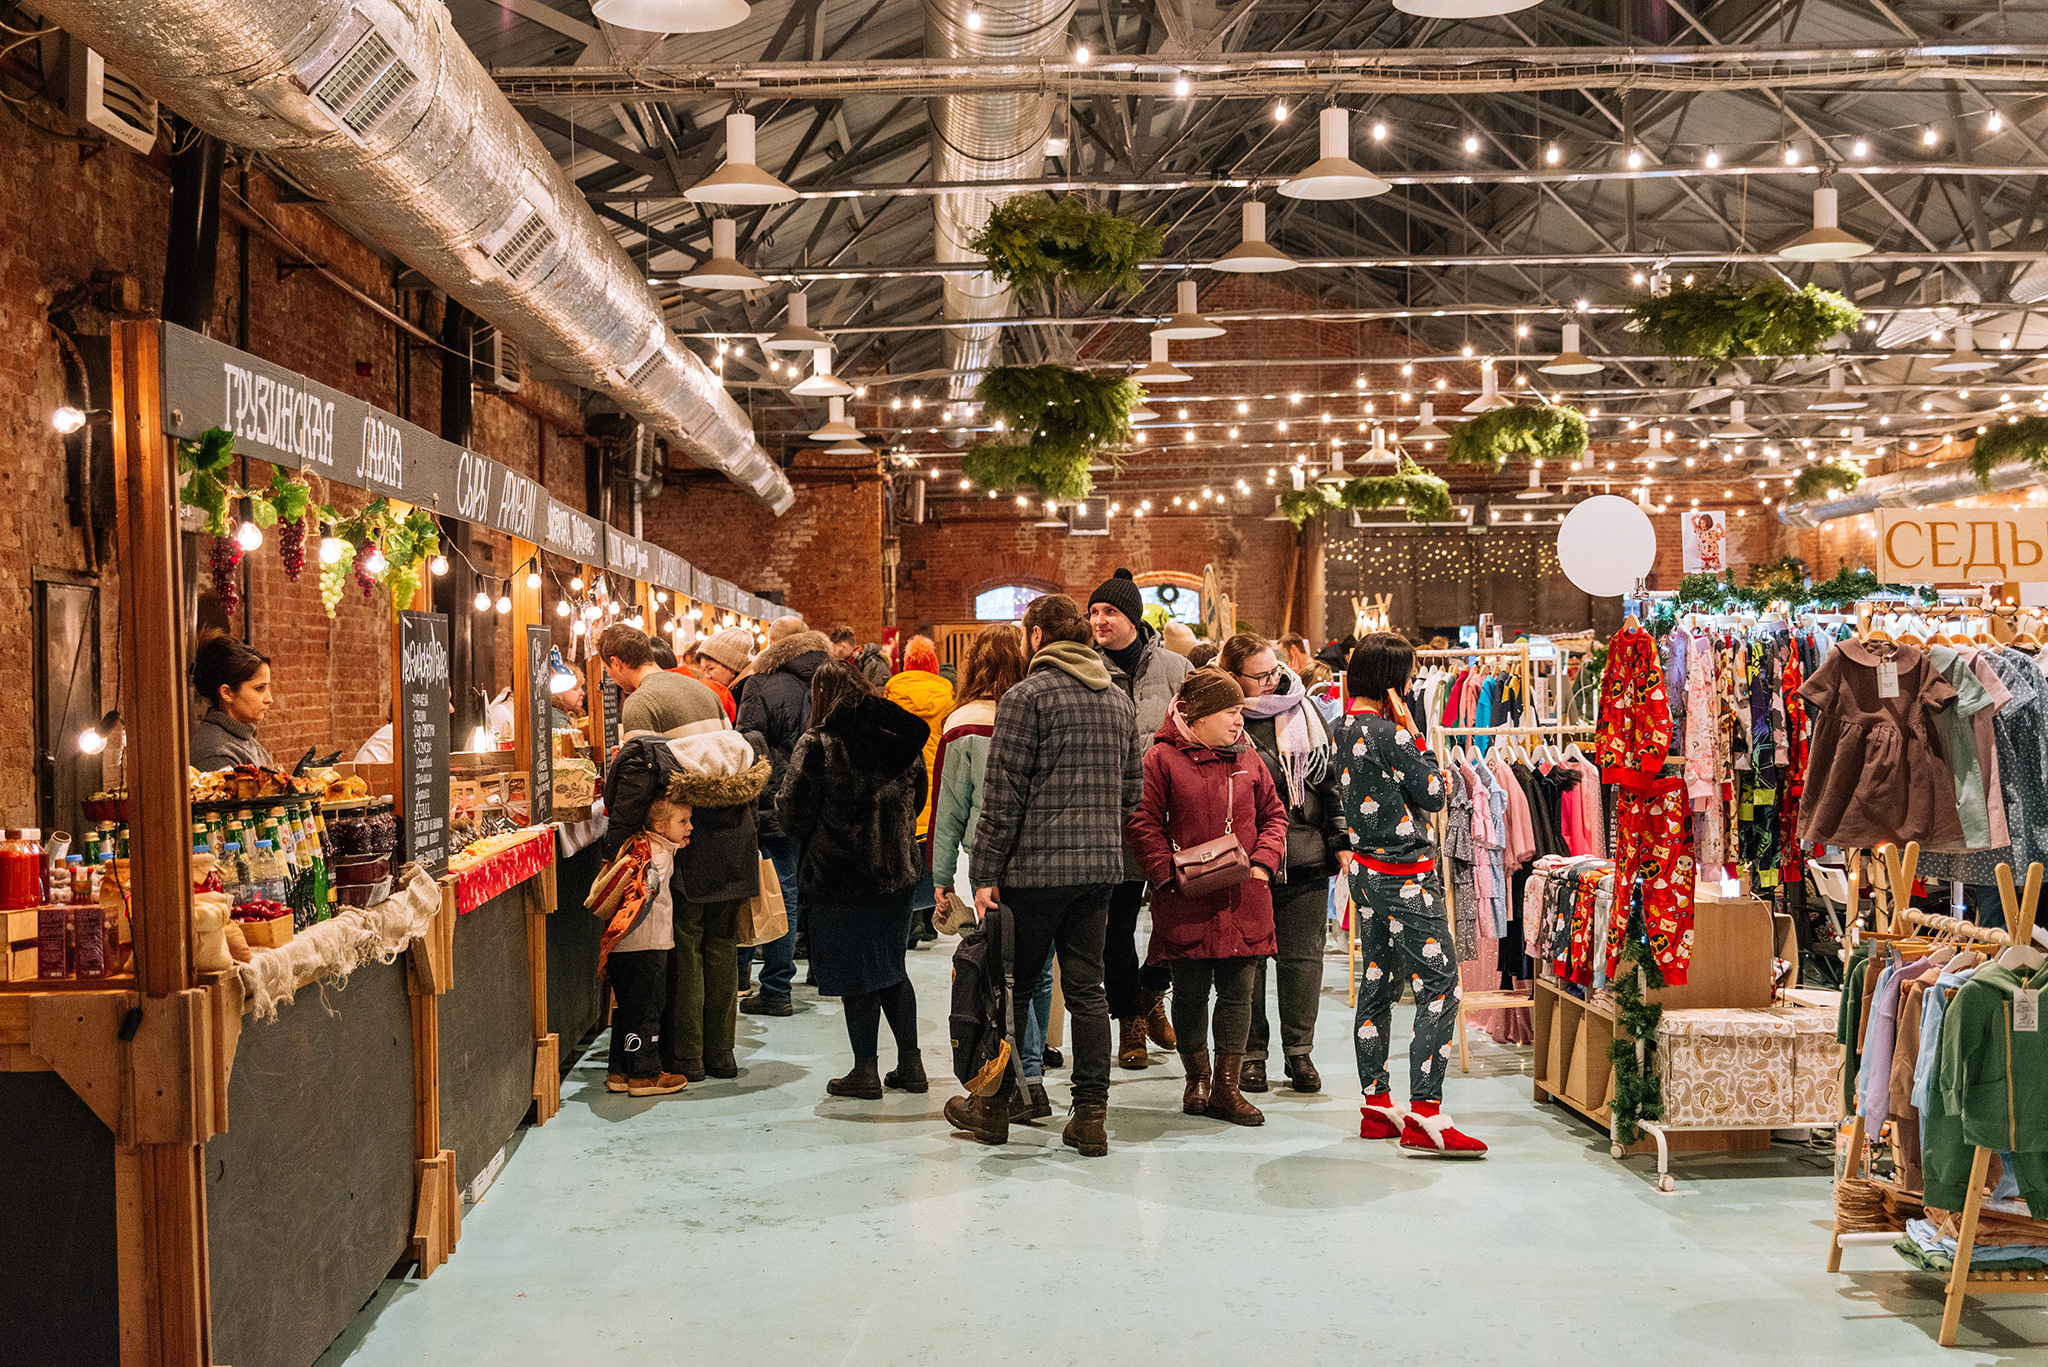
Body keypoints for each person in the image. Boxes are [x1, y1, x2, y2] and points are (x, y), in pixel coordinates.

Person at [948, 593, 1142, 1156]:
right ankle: (1090, 1118)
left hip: (1032, 874)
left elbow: (1002, 797)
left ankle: (995, 1106)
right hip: (1100, 871)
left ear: (1036, 637)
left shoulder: (1025, 697)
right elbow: (1133, 791)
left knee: (1015, 986)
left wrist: (983, 872)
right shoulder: (1118, 699)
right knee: (1088, 992)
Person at [1336, 632, 1486, 1158]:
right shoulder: (1389, 734)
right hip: (1406, 876)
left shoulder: (1344, 726)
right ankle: (1426, 1114)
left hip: (1366, 874)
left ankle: (1376, 1104)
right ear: (1392, 680)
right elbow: (1436, 793)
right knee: (1441, 986)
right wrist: (1417, 735)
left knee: (1377, 983)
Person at [599, 624, 771, 1084]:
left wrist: (616, 841)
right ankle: (722, 1055)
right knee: (721, 943)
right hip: (735, 829)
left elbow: (642, 778)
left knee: (688, 944)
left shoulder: (641, 702)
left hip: (692, 832)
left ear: (616, 663)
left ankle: (689, 1057)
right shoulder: (702, 688)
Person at [1127, 668, 1287, 1125]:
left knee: (1239, 995)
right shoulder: (1159, 758)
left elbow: (1274, 815)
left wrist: (1262, 865)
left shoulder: (1250, 758)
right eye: (1229, 711)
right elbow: (1142, 822)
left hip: (1244, 898)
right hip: (1185, 900)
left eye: (1240, 711)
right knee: (1191, 994)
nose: (1240, 721)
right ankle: (1196, 1081)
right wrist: (1165, 876)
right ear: (1195, 716)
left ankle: (1226, 1088)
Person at [775, 661, 930, 1101]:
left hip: (841, 877)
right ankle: (912, 1065)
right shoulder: (900, 742)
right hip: (896, 872)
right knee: (890, 968)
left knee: (857, 976)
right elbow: (916, 798)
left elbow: (793, 813)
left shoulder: (819, 744)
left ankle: (865, 1071)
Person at [928, 624, 1047, 1118]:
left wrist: (938, 877)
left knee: (999, 975)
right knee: (1036, 972)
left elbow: (950, 807)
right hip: (1044, 860)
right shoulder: (1036, 712)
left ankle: (1012, 1083)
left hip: (989, 868)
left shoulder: (964, 723)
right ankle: (1032, 1074)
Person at [1223, 633, 1344, 1093]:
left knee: (1303, 960)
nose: (1274, 681)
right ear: (1233, 678)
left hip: (1306, 854)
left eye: (1275, 670)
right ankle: (1252, 1055)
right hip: (1247, 859)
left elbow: (1330, 786)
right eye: (1261, 676)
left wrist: (1341, 842)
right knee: (1248, 960)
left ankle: (1300, 1054)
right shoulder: (1222, 719)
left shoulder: (1307, 713)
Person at [1087, 567, 1191, 1069]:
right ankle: (1129, 1018)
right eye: (1094, 612)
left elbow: (1197, 732)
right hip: (1112, 822)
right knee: (1115, 928)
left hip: (1171, 817)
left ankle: (1153, 990)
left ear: (1132, 616)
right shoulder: (1086, 668)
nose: (1099, 620)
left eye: (1109, 611)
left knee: (1175, 922)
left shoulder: (1175, 668)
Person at [735, 624, 834, 1016]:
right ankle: (822, 974)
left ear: (774, 644)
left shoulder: (761, 683)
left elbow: (746, 742)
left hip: (775, 799)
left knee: (771, 887)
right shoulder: (833, 678)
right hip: (824, 798)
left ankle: (774, 987)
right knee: (811, 887)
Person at [596, 794, 695, 1098]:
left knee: (626, 1008)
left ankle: (619, 1070)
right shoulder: (660, 857)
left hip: (621, 947)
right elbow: (646, 893)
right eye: (683, 821)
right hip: (648, 944)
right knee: (649, 1009)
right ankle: (645, 1074)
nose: (690, 826)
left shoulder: (636, 845)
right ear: (660, 827)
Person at [884, 636, 955, 948]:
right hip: (935, 780)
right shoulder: (948, 695)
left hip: (901, 779)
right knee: (930, 852)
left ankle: (906, 920)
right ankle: (929, 918)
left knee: (902, 848)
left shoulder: (892, 690)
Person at [190, 637, 275, 771]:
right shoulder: (215, 753)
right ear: (227, 693)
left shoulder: (245, 741)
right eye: (260, 688)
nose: (269, 698)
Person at [696, 627, 754, 702]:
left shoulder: (748, 694)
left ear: (732, 668)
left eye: (710, 669)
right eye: (704, 669)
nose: (706, 676)